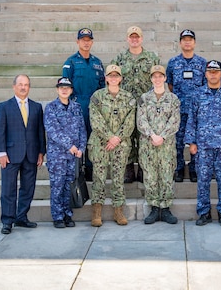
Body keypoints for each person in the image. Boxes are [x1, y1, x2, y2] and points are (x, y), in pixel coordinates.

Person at [185, 60, 221, 227]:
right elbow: (192, 119)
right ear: (205, 74)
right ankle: (204, 212)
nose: (213, 74)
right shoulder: (197, 95)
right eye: (210, 71)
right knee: (203, 180)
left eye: (216, 71)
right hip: (203, 146)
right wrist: (191, 142)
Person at [0, 74, 46, 235]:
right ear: (14, 86)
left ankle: (21, 217)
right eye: (21, 84)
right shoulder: (4, 106)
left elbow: (40, 132)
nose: (23, 87)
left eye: (27, 85)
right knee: (8, 189)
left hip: (31, 154)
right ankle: (7, 221)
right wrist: (1, 152)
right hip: (10, 154)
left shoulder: (36, 107)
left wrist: (41, 152)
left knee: (28, 188)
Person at [88, 64, 136, 227]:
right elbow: (95, 119)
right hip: (100, 144)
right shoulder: (97, 96)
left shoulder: (128, 98)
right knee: (99, 178)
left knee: (118, 179)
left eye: (116, 75)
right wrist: (109, 137)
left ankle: (118, 210)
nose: (114, 78)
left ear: (121, 78)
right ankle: (97, 211)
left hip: (120, 146)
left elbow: (130, 122)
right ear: (106, 78)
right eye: (111, 75)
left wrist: (117, 138)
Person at [111, 25, 160, 183]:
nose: (134, 39)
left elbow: (159, 81)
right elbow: (112, 80)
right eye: (131, 37)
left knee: (144, 138)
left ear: (141, 38)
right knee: (127, 137)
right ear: (127, 39)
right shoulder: (119, 59)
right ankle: (129, 168)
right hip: (126, 106)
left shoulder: (152, 58)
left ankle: (144, 169)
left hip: (146, 105)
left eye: (137, 36)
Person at [136, 65, 181, 224]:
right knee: (150, 176)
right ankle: (154, 208)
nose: (157, 79)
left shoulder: (173, 99)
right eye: (154, 76)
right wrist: (152, 135)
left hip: (166, 145)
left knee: (167, 175)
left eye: (160, 76)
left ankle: (166, 208)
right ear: (151, 79)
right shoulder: (144, 98)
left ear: (165, 78)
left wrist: (161, 136)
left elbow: (175, 121)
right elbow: (141, 120)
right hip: (148, 145)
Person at [43, 77, 87, 229]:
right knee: (57, 186)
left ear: (71, 90)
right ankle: (57, 216)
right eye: (61, 87)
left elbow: (82, 129)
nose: (64, 89)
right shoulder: (51, 108)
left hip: (73, 156)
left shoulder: (76, 107)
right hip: (57, 156)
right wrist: (70, 146)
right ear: (57, 89)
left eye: (67, 87)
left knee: (69, 186)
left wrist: (81, 148)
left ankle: (68, 214)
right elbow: (53, 130)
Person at [62, 27, 105, 180]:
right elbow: (65, 87)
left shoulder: (97, 63)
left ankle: (90, 169)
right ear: (77, 41)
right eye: (83, 40)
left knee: (93, 139)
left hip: (94, 107)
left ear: (92, 42)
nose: (86, 43)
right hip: (77, 106)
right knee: (78, 139)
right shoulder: (71, 62)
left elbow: (102, 87)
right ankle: (76, 172)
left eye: (88, 40)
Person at [166, 29, 207, 183]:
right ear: (180, 43)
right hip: (178, 110)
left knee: (196, 140)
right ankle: (179, 168)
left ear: (194, 43)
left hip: (197, 110)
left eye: (190, 39)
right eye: (184, 39)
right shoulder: (173, 63)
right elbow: (170, 85)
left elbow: (205, 85)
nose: (187, 42)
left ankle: (194, 168)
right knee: (177, 141)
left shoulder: (202, 63)